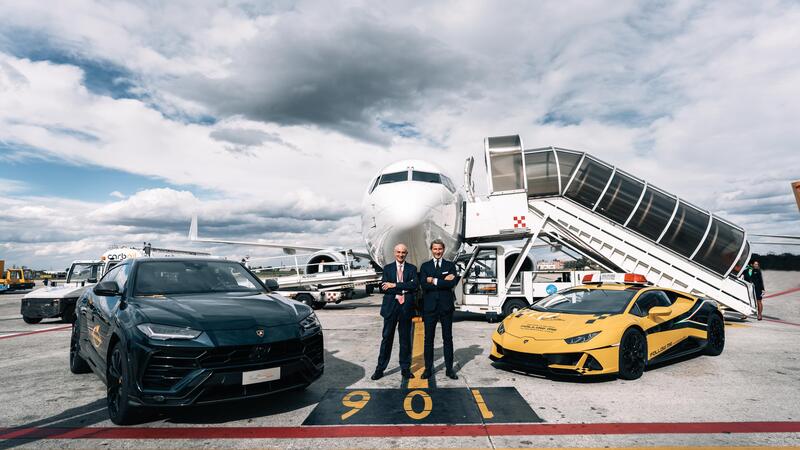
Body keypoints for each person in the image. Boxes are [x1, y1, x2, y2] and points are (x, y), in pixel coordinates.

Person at [372, 243, 418, 380]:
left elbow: (415, 285)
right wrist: (404, 288)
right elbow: (383, 288)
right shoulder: (387, 268)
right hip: (390, 308)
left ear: (406, 254)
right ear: (394, 252)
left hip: (406, 309)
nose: (400, 254)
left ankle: (405, 368)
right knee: (387, 339)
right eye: (398, 252)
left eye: (403, 252)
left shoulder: (412, 268)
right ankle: (380, 368)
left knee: (405, 340)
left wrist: (395, 285)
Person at [419, 239, 461, 380]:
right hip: (430, 308)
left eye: (440, 249)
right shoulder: (425, 266)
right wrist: (443, 280)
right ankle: (427, 368)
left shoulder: (450, 265)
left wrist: (434, 280)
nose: (437, 251)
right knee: (428, 340)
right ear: (432, 250)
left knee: (447, 339)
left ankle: (449, 369)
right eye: (435, 249)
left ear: (444, 250)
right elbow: (424, 285)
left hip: (445, 307)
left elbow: (452, 284)